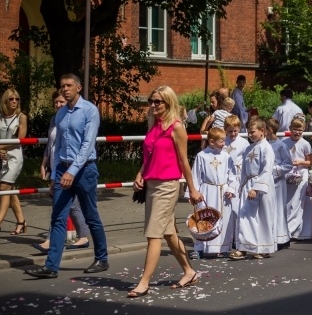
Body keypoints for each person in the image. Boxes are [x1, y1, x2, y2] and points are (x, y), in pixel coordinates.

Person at [24, 74, 110, 279]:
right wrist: (55, 175)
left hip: (84, 170)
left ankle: (102, 258)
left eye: (69, 85)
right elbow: (58, 146)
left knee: (91, 215)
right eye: (62, 86)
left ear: (79, 87)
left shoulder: (90, 110)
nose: (65, 89)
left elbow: (87, 145)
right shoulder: (61, 114)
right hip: (63, 168)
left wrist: (72, 172)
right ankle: (51, 266)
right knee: (58, 217)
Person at [127, 86, 204, 297]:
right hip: (151, 184)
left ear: (168, 103)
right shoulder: (154, 125)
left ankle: (144, 282)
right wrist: (140, 173)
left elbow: (184, 161)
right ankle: (189, 271)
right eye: (151, 101)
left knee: (153, 234)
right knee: (169, 233)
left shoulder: (176, 127)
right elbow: (149, 155)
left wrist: (193, 188)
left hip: (168, 185)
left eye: (157, 102)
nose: (152, 105)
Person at [33, 90, 90, 253]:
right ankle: (84, 236)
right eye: (56, 102)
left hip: (67, 168)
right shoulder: (54, 119)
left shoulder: (72, 120)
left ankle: (51, 240)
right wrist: (44, 162)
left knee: (61, 203)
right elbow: (50, 144)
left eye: (61, 102)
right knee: (71, 205)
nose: (58, 105)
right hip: (55, 166)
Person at [229, 117, 276, 260]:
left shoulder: (267, 148)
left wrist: (256, 188)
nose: (250, 134)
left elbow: (267, 170)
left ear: (262, 131)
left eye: (253, 132)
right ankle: (243, 247)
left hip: (261, 186)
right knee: (245, 216)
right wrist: (241, 185)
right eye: (248, 132)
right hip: (248, 185)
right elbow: (245, 169)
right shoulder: (249, 148)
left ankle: (263, 248)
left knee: (261, 218)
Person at [0, 89, 28, 240]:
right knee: (10, 190)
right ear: (5, 101)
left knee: (4, 188)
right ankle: (21, 222)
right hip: (1, 158)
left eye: (17, 98)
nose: (15, 101)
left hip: (15, 157)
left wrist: (2, 147)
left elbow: (21, 139)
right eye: (11, 99)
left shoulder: (21, 117)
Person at [189, 127, 236, 260]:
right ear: (211, 141)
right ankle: (200, 248)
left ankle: (224, 247)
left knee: (224, 220)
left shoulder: (226, 156)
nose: (224, 144)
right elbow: (196, 176)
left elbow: (232, 175)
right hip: (207, 192)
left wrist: (231, 189)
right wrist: (193, 193)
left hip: (223, 192)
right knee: (204, 219)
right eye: (221, 141)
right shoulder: (202, 156)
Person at [283, 116, 312, 241]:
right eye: (295, 129)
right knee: (288, 203)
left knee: (298, 203)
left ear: (304, 130)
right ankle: (290, 229)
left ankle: (291, 231)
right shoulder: (284, 142)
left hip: (301, 174)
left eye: (300, 130)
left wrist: (300, 162)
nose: (297, 132)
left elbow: (310, 162)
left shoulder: (305, 144)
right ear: (290, 129)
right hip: (288, 174)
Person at [266, 118, 292, 248]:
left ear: (269, 130)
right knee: (269, 209)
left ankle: (282, 238)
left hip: (278, 181)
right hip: (267, 181)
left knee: (278, 209)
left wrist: (274, 171)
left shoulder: (281, 145)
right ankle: (271, 236)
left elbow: (288, 164)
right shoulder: (265, 144)